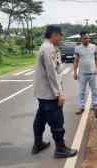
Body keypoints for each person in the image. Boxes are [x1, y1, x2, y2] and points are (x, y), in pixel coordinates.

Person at [32, 25, 77, 158]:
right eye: (60, 36)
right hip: (50, 93)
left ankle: (38, 143)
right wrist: (59, 94)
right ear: (54, 35)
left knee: (40, 118)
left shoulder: (43, 46)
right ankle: (60, 149)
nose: (60, 38)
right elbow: (52, 73)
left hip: (42, 93)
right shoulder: (49, 49)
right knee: (57, 121)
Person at [73, 31, 97, 114]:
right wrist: (75, 72)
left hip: (93, 73)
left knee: (94, 91)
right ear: (81, 38)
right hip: (82, 74)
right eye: (85, 38)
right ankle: (81, 107)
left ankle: (95, 105)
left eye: (88, 38)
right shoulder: (77, 48)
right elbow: (75, 61)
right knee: (81, 91)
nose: (87, 40)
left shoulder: (94, 47)